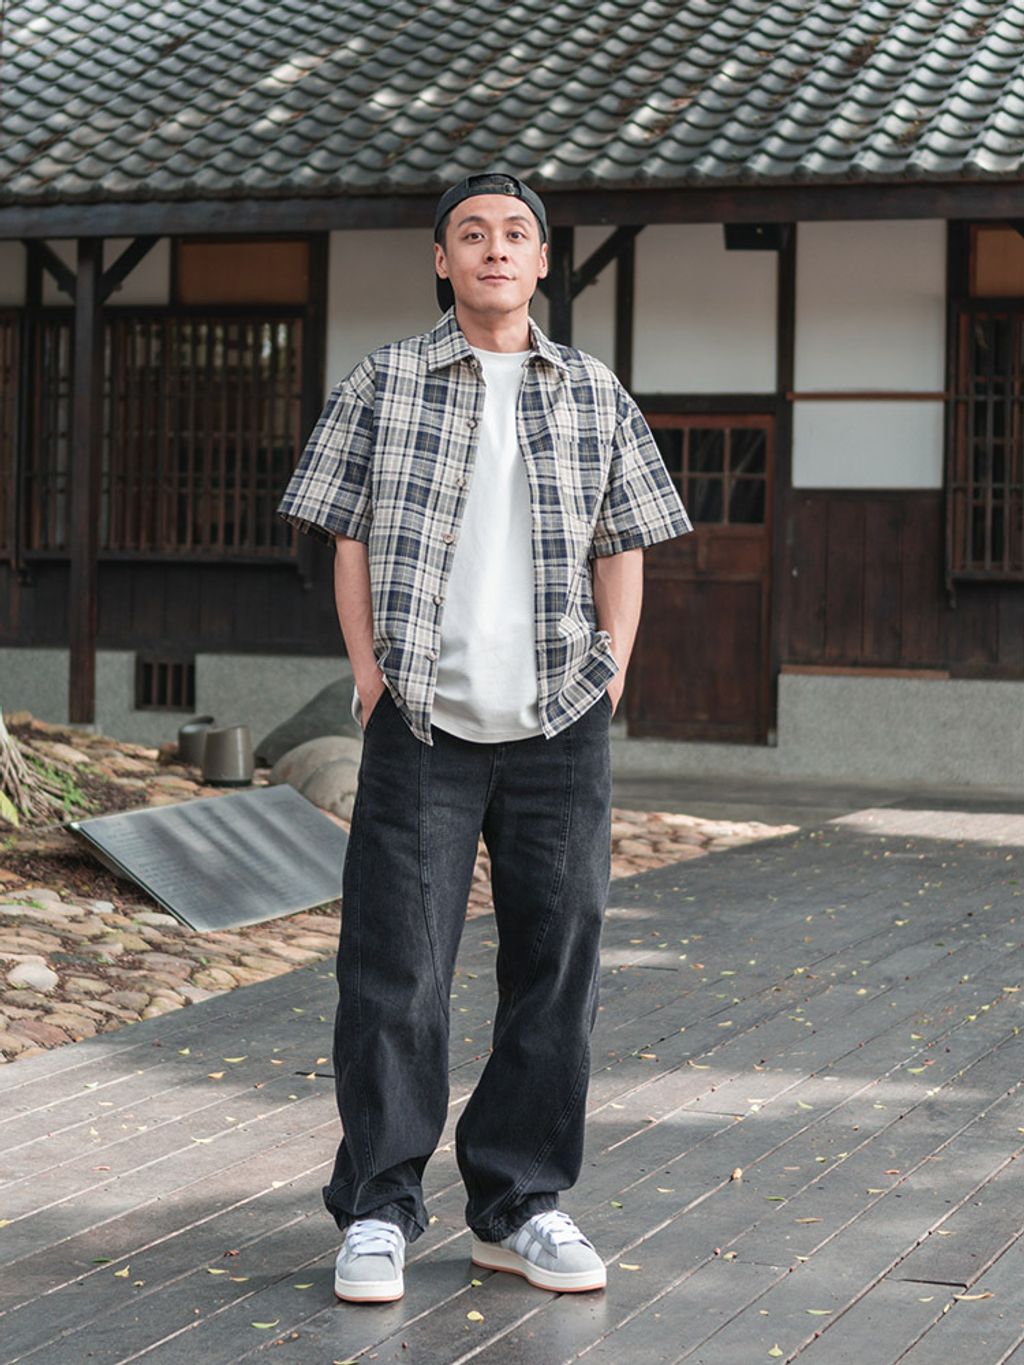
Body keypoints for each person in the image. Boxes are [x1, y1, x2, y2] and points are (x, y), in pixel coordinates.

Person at [276, 170, 692, 1305]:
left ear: (543, 260)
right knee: (396, 969)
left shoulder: (593, 391)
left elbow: (623, 540)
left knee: (556, 969)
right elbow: (349, 535)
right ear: (441, 259)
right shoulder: (385, 380)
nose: (495, 249)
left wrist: (611, 671)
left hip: (560, 720)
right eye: (471, 234)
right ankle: (378, 1208)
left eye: (516, 233)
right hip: (422, 719)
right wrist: (369, 673)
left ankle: (519, 1205)